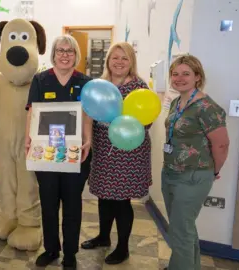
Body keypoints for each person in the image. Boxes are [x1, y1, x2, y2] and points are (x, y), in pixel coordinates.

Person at [25, 35, 93, 270]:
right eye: (60, 50)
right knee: (48, 203)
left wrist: (89, 140)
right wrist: (28, 139)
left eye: (70, 51)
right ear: (53, 54)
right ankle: (51, 249)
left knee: (73, 205)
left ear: (76, 55)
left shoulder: (85, 82)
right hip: (47, 153)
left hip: (76, 154)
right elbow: (32, 112)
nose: (65, 54)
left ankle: (71, 254)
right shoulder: (41, 80)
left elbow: (87, 115)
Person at [80, 42, 152, 265]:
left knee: (121, 201)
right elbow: (88, 114)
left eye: (124, 58)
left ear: (131, 62)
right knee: (103, 196)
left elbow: (146, 122)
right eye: (115, 57)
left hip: (129, 152)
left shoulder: (140, 88)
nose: (119, 62)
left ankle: (123, 248)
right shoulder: (100, 85)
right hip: (103, 149)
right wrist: (89, 141)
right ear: (108, 61)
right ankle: (103, 237)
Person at [162, 55, 229, 270]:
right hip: (171, 173)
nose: (179, 78)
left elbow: (221, 145)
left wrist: (214, 170)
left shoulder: (207, 107)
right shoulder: (176, 102)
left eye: (186, 74)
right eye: (175, 74)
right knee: (183, 228)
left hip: (192, 176)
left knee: (181, 231)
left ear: (197, 77)